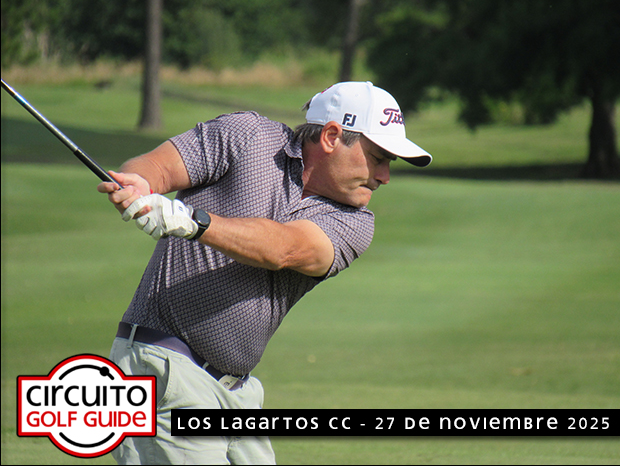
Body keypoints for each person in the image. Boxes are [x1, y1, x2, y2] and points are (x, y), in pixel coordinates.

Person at [98, 81, 432, 465]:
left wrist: (191, 222)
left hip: (238, 394)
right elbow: (155, 167)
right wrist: (141, 185)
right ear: (331, 136)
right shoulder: (246, 136)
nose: (385, 176)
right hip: (165, 368)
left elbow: (285, 249)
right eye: (378, 158)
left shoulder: (354, 222)